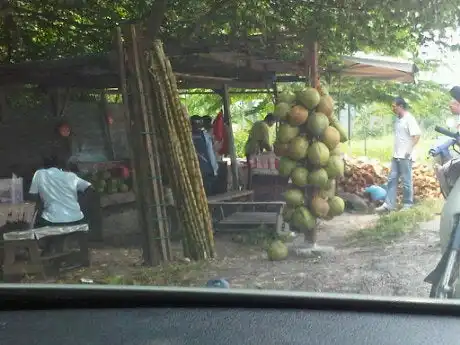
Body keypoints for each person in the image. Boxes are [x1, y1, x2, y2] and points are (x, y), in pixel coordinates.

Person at [376, 97, 421, 212]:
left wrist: (409, 150)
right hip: (396, 156)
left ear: (401, 106)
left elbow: (416, 136)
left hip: (406, 156)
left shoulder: (409, 119)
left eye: (394, 106)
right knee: (392, 179)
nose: (393, 108)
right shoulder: (397, 119)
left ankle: (407, 204)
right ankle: (389, 205)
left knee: (406, 181)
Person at [29, 154, 92, 228]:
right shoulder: (71, 176)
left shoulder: (39, 174)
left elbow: (33, 197)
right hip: (76, 218)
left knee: (36, 226)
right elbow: (89, 187)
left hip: (52, 220)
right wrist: (79, 201)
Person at [244, 113, 277, 189]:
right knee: (256, 172)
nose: (273, 125)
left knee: (250, 171)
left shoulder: (257, 123)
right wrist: (271, 150)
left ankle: (249, 188)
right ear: (271, 121)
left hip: (249, 148)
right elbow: (265, 142)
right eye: (273, 123)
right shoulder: (264, 126)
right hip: (254, 150)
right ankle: (253, 189)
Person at [190, 115, 218, 196]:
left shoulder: (188, 136)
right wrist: (214, 169)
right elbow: (210, 154)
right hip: (205, 171)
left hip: (198, 171)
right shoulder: (203, 136)